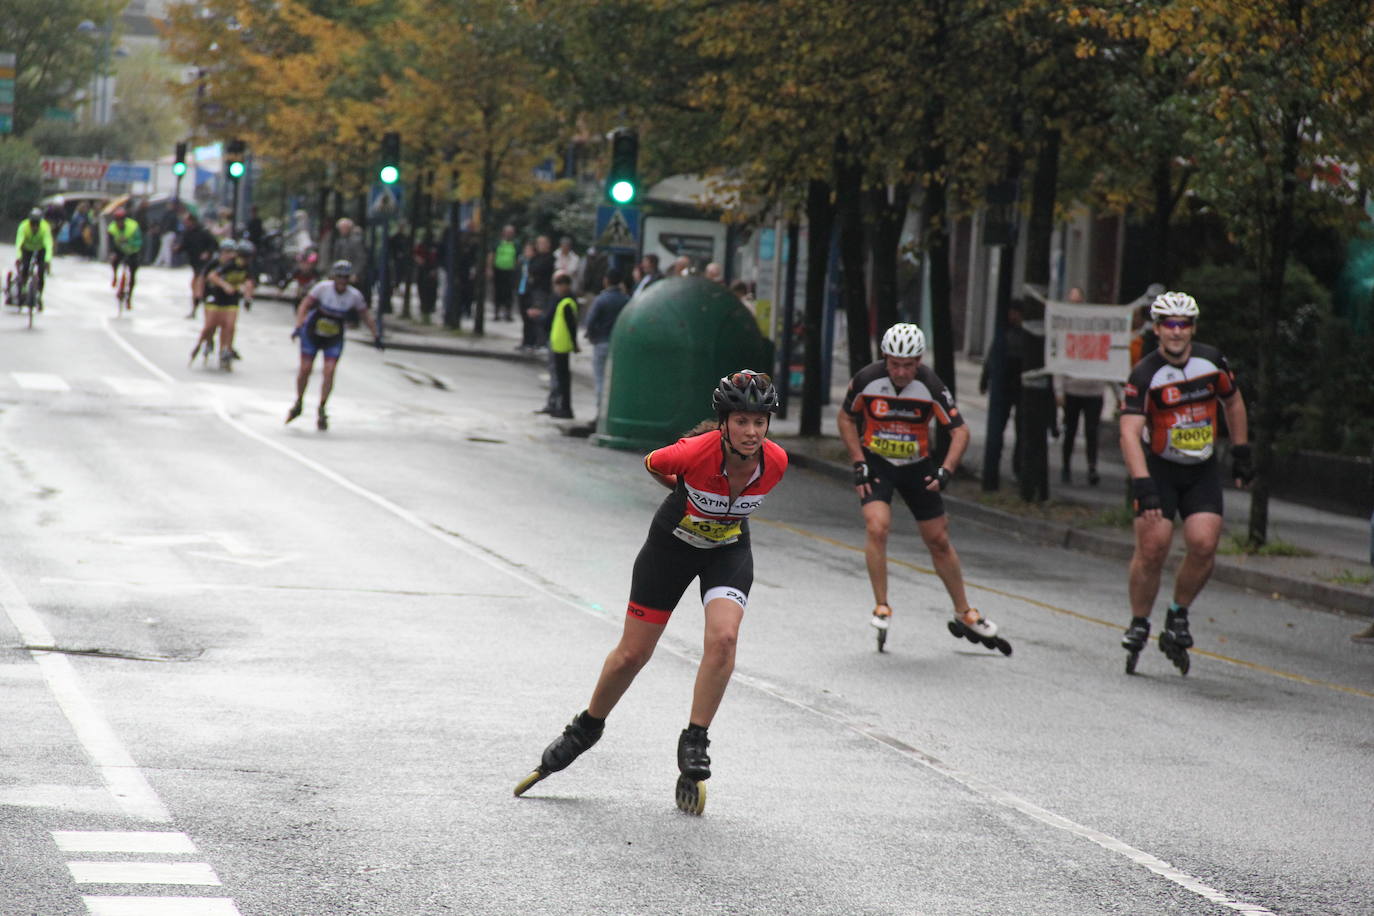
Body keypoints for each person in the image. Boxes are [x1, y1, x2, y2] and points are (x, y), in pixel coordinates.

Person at [514, 370, 788, 813]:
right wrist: (686, 492)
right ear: (724, 422)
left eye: (760, 421)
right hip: (671, 548)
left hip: (728, 550)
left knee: (724, 638)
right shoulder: (693, 452)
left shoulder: (776, 462)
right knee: (633, 655)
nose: (752, 431)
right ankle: (585, 728)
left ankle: (695, 739)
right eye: (742, 421)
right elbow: (654, 464)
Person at [837, 322, 1006, 649]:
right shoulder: (867, 379)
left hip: (917, 466)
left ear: (920, 360)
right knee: (877, 527)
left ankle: (965, 611)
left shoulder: (930, 385)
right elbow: (846, 417)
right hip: (877, 463)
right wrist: (858, 461)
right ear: (885, 358)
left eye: (909, 365)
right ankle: (882, 605)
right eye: (895, 364)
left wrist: (946, 470)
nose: (901, 372)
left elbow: (960, 431)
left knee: (938, 539)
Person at [1119, 291, 1251, 673]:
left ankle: (1177, 614)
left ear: (1193, 327)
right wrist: (1141, 481)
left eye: (1184, 324)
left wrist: (1241, 451)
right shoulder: (1144, 373)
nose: (1176, 332)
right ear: (1157, 329)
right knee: (1153, 546)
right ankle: (1139, 620)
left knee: (1204, 544)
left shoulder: (1212, 361)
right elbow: (1129, 433)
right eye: (1169, 325)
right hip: (1158, 468)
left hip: (1201, 469)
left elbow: (1234, 401)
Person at [287, 259, 381, 431]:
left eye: (345, 278)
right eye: (339, 277)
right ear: (333, 277)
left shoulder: (354, 296)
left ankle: (322, 407)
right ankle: (299, 400)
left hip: (333, 336)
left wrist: (376, 335)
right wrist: (299, 325)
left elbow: (366, 315)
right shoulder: (322, 288)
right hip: (312, 333)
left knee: (329, 371)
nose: (342, 282)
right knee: (305, 369)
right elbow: (305, 305)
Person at [979, 299, 1026, 489]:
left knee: (1020, 430)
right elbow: (992, 357)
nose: (1012, 316)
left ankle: (1017, 468)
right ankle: (993, 469)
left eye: (1015, 312)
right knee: (998, 428)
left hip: (1018, 386)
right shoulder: (1004, 332)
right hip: (1004, 387)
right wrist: (985, 379)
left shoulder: (1023, 334)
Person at [191, 239, 254, 371]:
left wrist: (248, 297)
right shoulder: (221, 264)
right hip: (215, 297)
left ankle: (226, 349)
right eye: (226, 252)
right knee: (210, 326)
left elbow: (249, 282)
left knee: (229, 325)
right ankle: (204, 342)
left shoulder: (245, 266)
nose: (229, 255)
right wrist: (199, 295)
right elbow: (207, 277)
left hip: (231, 300)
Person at [1055, 370, 1121, 486]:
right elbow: (1061, 367)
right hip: (1072, 391)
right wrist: (1059, 391)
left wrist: (1119, 395)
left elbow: (1110, 366)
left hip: (1095, 392)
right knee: (1070, 432)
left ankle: (1092, 467)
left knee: (1092, 432)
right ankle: (1066, 467)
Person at [583, 268, 630, 412]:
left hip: (602, 342)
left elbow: (590, 321)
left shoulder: (601, 299)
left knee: (600, 380)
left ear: (606, 280)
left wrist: (592, 336)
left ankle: (600, 413)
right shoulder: (626, 300)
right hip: (619, 346)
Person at [535, 273, 579, 419]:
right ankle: (557, 405)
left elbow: (570, 326)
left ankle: (561, 406)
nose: (557, 289)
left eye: (559, 285)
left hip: (561, 343)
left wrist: (575, 344)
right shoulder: (562, 300)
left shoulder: (565, 302)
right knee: (559, 376)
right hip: (558, 341)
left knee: (560, 377)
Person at [178, 213, 218, 318]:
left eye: (186, 221)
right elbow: (184, 245)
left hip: (204, 264)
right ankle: (196, 306)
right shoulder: (187, 233)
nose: (185, 223)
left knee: (199, 284)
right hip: (194, 263)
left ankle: (200, 308)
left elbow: (214, 244)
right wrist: (177, 248)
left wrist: (208, 252)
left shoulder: (203, 232)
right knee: (195, 286)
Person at [11, 208, 53, 305]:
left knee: (41, 270)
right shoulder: (23, 226)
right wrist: (18, 257)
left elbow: (48, 244)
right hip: (27, 248)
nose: (34, 227)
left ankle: (39, 294)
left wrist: (47, 260)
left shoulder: (45, 227)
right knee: (25, 267)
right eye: (32, 224)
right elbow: (19, 243)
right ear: (29, 222)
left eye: (36, 224)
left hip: (40, 248)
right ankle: (23, 288)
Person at [523, 235, 555, 349]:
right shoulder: (536, 257)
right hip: (533, 290)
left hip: (542, 291)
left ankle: (541, 342)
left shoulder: (549, 258)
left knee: (539, 316)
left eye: (541, 243)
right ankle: (532, 341)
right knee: (531, 316)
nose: (538, 246)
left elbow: (537, 269)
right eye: (538, 243)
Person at [106, 207, 144, 303]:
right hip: (120, 250)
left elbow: (139, 242)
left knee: (132, 273)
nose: (119, 223)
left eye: (121, 221)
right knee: (114, 260)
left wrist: (130, 243)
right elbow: (110, 243)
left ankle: (129, 297)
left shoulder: (133, 227)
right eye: (117, 221)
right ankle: (114, 276)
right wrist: (111, 253)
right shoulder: (112, 228)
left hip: (133, 251)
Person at [490, 224, 518, 321]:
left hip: (510, 271)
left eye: (511, 232)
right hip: (498, 270)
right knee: (498, 292)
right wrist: (490, 269)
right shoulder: (498, 243)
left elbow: (518, 258)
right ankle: (496, 312)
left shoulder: (515, 244)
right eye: (507, 232)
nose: (509, 234)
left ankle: (508, 313)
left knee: (509, 293)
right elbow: (492, 255)